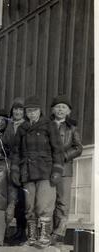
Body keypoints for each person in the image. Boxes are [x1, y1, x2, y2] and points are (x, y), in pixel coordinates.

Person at [11, 95, 64, 248]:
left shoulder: (49, 125)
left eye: (34, 110)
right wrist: (15, 171)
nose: (31, 114)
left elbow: (58, 150)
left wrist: (57, 170)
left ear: (40, 111)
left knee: (43, 204)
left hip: (45, 171)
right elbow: (16, 152)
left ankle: (45, 237)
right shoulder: (22, 129)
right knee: (29, 206)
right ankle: (32, 237)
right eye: (29, 111)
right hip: (27, 173)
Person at [50, 95, 83, 243]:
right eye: (58, 107)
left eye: (64, 107)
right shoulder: (47, 125)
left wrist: (64, 156)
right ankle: (47, 232)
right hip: (48, 169)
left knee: (62, 202)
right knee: (49, 201)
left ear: (68, 111)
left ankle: (58, 233)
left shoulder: (72, 128)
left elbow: (78, 148)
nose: (60, 110)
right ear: (52, 110)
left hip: (64, 170)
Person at [4, 98, 27, 244]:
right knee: (13, 199)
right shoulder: (9, 126)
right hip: (11, 165)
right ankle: (14, 232)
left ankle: (22, 232)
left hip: (23, 165)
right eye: (15, 109)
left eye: (20, 109)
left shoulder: (27, 125)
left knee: (24, 200)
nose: (17, 112)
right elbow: (5, 144)